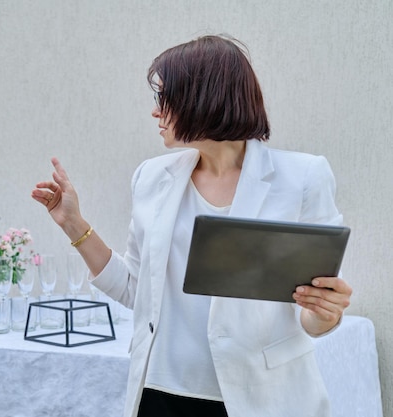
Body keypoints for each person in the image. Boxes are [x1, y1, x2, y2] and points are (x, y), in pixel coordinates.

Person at [31, 34, 352, 417]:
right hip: (159, 394)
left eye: (163, 98)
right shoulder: (151, 177)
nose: (155, 112)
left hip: (260, 399)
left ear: (203, 98)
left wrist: (325, 313)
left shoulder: (302, 178)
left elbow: (314, 311)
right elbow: (137, 289)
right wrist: (72, 223)